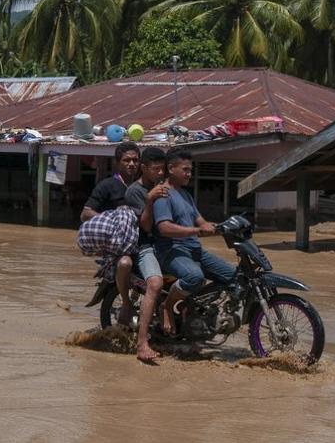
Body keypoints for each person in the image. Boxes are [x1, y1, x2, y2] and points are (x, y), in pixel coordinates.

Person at [152, 148, 236, 333]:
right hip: (171, 251)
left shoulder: (185, 194)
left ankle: (192, 306)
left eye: (191, 170)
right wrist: (198, 230)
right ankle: (166, 306)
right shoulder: (162, 194)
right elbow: (164, 228)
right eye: (186, 169)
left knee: (234, 276)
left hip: (194, 250)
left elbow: (201, 222)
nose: (189, 174)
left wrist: (223, 227)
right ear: (171, 168)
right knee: (194, 276)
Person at [81, 141, 141, 323]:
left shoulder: (144, 185)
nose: (131, 164)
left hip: (143, 241)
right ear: (117, 163)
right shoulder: (107, 185)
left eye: (135, 160)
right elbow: (86, 213)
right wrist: (113, 223)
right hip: (120, 246)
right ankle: (126, 304)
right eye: (126, 160)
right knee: (124, 264)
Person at [123, 147, 169, 364]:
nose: (160, 173)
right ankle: (142, 344)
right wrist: (150, 200)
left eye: (163, 169)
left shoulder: (164, 187)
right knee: (155, 284)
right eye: (156, 169)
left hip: (166, 243)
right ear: (144, 168)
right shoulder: (135, 191)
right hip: (145, 245)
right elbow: (146, 226)